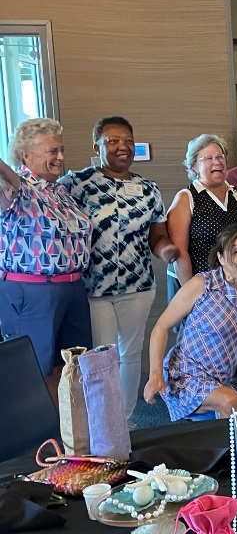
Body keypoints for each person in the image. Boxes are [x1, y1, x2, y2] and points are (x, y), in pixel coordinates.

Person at [60, 116, 178, 423]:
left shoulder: (148, 189)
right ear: (96, 145)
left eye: (128, 141)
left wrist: (168, 251)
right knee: (101, 358)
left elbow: (157, 235)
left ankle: (125, 421)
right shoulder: (76, 184)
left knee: (130, 355)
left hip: (138, 286)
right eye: (113, 141)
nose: (122, 147)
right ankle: (102, 422)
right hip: (93, 288)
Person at [0, 118, 93, 398]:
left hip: (73, 287)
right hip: (33, 290)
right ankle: (38, 438)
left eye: (61, 149)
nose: (61, 157)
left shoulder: (58, 190)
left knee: (70, 368)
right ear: (26, 155)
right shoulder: (17, 188)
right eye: (52, 151)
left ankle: (65, 434)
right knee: (33, 372)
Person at [143, 225, 237, 421]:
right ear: (221, 258)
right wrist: (155, 374)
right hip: (184, 377)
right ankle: (228, 452)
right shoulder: (202, 284)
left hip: (220, 380)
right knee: (229, 400)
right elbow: (160, 327)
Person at [166, 133, 237, 299]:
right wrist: (191, 296)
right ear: (194, 166)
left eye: (220, 156)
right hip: (202, 288)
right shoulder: (186, 197)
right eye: (208, 158)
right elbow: (179, 252)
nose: (217, 161)